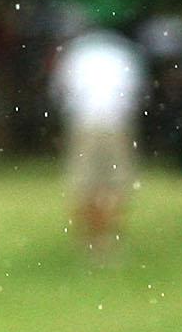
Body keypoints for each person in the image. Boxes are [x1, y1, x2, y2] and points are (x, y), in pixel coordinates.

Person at [53, 21, 145, 257]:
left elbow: (61, 90)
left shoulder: (76, 51)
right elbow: (136, 90)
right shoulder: (124, 51)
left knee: (85, 182)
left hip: (85, 120)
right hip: (116, 120)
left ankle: (92, 240)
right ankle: (107, 238)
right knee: (115, 183)